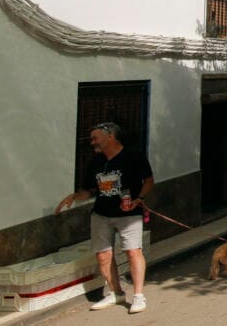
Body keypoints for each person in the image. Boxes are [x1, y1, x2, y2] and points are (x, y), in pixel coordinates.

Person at [55, 122, 153, 314]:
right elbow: (90, 191)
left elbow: (149, 182)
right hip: (101, 214)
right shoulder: (96, 162)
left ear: (110, 136)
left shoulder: (134, 157)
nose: (92, 142)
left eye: (95, 137)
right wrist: (75, 196)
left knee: (133, 251)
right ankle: (116, 293)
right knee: (103, 256)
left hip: (128, 213)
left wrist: (139, 199)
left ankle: (139, 296)